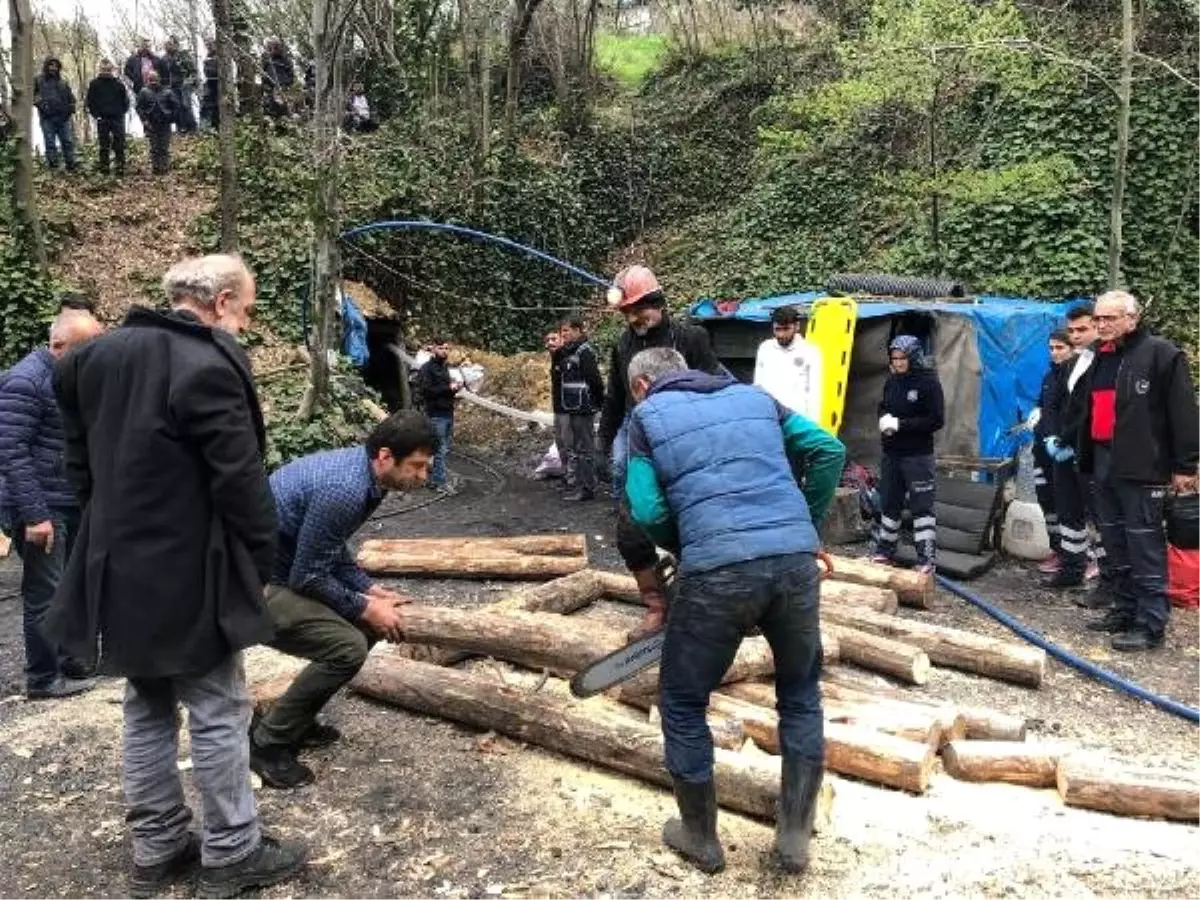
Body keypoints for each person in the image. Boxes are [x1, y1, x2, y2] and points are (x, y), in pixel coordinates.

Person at [47, 255, 307, 898]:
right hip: (191, 568)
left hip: (115, 563)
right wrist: (262, 560)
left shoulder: (89, 359)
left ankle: (157, 846)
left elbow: (78, 471)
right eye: (244, 311)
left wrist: (105, 538)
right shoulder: (210, 361)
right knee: (218, 705)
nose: (243, 325)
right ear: (220, 302)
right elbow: (240, 480)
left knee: (147, 703)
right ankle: (230, 851)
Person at [624, 347, 845, 874]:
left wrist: (689, 544)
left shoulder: (645, 417)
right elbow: (829, 450)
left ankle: (700, 837)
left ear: (641, 386)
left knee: (681, 700)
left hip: (716, 569)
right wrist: (805, 528)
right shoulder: (757, 397)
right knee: (799, 694)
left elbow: (646, 507)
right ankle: (793, 838)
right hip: (794, 565)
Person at [250, 412, 435, 788]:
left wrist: (369, 589)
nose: (422, 477)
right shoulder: (345, 490)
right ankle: (267, 744)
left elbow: (329, 551)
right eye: (416, 467)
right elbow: (308, 575)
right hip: (248, 587)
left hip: (279, 572)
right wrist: (367, 607)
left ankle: (292, 721)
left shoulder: (365, 475)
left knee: (362, 629)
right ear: (385, 456)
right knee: (348, 647)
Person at [597, 265, 722, 637]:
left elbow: (716, 383)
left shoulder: (691, 338)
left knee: (695, 524)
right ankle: (655, 603)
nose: (634, 318)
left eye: (639, 310)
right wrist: (604, 444)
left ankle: (702, 601)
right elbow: (615, 399)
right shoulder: (623, 345)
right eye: (627, 313)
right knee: (630, 528)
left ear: (658, 304)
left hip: (689, 442)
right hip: (642, 441)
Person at [1073, 291, 1200, 651]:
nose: (1102, 325)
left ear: (1132, 318)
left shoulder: (1161, 354)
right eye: (1098, 320)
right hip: (1102, 459)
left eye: (1109, 319)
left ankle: (1151, 624)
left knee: (1144, 543)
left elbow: (1183, 412)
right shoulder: (1100, 356)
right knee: (1114, 541)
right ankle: (1125, 610)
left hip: (1143, 464)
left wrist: (1185, 464)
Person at [0, 310, 104, 700]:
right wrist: (35, 515)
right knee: (46, 593)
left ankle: (72, 662)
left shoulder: (69, 376)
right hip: (41, 506)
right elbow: (9, 452)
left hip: (68, 499)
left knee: (72, 587)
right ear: (59, 346)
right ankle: (43, 678)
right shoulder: (26, 381)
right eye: (86, 349)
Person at [869, 335, 945, 573]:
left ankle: (926, 559)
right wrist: (884, 420)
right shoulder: (892, 381)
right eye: (895, 359)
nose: (898, 363)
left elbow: (935, 420)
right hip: (892, 453)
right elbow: (884, 406)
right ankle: (885, 551)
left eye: (903, 359)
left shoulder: (929, 383)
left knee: (921, 506)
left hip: (918, 455)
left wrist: (902, 424)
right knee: (889, 503)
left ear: (913, 358)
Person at [1041, 305, 1101, 589]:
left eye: (1082, 330)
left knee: (1099, 515)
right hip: (1063, 451)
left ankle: (1106, 573)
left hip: (1090, 452)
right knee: (1068, 511)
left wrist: (1072, 441)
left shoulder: (1106, 364)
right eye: (1072, 330)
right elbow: (1052, 406)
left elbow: (1089, 412)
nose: (1076, 336)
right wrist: (1052, 437)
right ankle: (1071, 567)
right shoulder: (1067, 367)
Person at [1031, 329, 1073, 573]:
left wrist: (1066, 442)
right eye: (1052, 348)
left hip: (1063, 450)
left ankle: (1081, 556)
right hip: (1042, 448)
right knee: (1046, 501)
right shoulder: (1049, 376)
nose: (1055, 353)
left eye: (1060, 348)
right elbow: (1043, 404)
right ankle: (1057, 550)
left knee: (1068, 505)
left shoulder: (1076, 377)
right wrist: (1036, 413)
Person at [553, 317, 604, 502]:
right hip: (572, 406)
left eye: (567, 331)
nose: (563, 335)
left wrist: (597, 404)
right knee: (576, 447)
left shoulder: (585, 352)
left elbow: (595, 381)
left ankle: (587, 489)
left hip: (583, 408)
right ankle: (582, 485)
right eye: (562, 331)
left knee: (585, 449)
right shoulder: (567, 352)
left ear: (578, 330)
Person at [754, 305, 823, 421]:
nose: (781, 334)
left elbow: (814, 392)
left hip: (797, 418)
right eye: (777, 329)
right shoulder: (765, 348)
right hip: (771, 417)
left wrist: (812, 424)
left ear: (796, 326)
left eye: (786, 329)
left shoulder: (810, 351)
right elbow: (758, 385)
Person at [415, 339, 461, 493]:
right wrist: (448, 388)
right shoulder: (426, 369)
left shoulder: (445, 368)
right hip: (435, 414)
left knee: (443, 448)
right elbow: (426, 391)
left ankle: (434, 480)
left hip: (448, 412)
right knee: (440, 449)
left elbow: (444, 391)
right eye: (441, 348)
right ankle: (440, 482)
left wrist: (454, 389)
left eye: (447, 348)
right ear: (433, 349)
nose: (444, 351)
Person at [86, 58, 130, 176]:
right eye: (104, 69)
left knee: (119, 145)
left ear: (112, 70)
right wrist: (96, 116)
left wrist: (121, 113)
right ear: (100, 69)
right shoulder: (94, 84)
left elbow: (125, 101)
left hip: (117, 118)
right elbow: (90, 102)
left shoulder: (119, 84)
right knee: (104, 146)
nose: (106, 71)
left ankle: (120, 168)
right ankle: (104, 169)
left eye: (108, 69)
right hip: (102, 119)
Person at [34, 56, 78, 172]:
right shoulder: (38, 80)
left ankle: (71, 166)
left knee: (67, 142)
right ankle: (53, 168)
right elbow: (33, 96)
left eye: (56, 66)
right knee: (50, 143)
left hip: (63, 118)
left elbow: (72, 98)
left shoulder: (62, 82)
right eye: (51, 65)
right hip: (47, 118)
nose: (53, 68)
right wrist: (43, 107)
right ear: (46, 66)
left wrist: (71, 108)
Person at [136, 70, 179, 175]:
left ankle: (164, 168)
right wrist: (144, 121)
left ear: (159, 79)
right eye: (151, 80)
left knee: (164, 147)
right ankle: (156, 168)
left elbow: (176, 106)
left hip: (165, 123)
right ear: (148, 80)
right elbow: (139, 108)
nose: (153, 82)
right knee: (154, 147)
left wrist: (171, 117)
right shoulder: (143, 91)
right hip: (151, 123)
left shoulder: (167, 91)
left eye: (155, 79)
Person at [160, 35, 198, 134]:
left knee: (186, 105)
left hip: (185, 84)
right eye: (166, 45)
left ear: (176, 45)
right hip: (173, 86)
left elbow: (193, 70)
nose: (167, 46)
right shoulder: (164, 58)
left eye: (170, 44)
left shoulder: (183, 54)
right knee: (177, 106)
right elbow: (163, 73)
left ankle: (192, 127)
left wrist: (189, 82)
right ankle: (181, 128)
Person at [261, 38, 295, 118]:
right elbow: (264, 74)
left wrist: (286, 84)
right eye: (271, 47)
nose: (273, 50)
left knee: (283, 106)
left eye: (275, 47)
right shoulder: (267, 60)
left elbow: (291, 74)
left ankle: (285, 120)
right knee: (271, 107)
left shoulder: (285, 60)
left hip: (283, 86)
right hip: (271, 87)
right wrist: (266, 85)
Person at [200, 39, 220, 129]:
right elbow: (207, 72)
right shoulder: (207, 57)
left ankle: (216, 127)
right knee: (206, 107)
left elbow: (216, 72)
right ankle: (207, 129)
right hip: (209, 84)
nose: (209, 47)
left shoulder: (221, 57)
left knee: (217, 108)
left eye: (211, 45)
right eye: (208, 45)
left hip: (218, 85)